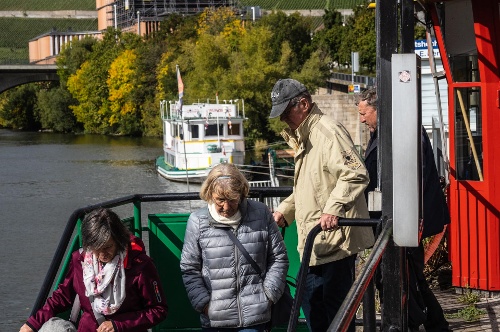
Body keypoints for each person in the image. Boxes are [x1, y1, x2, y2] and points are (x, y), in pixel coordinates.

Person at [269, 78, 375, 332]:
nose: (284, 119)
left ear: (303, 104)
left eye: (286, 112)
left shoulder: (326, 132)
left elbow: (355, 173)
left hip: (334, 241)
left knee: (331, 314)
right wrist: (285, 210)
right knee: (317, 308)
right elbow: (308, 187)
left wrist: (333, 209)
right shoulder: (307, 135)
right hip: (319, 241)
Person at [357, 87, 451, 332]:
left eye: (364, 113)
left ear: (379, 110)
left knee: (403, 277)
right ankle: (432, 324)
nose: (361, 118)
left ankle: (416, 322)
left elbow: (413, 178)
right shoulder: (392, 130)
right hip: (399, 218)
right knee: (411, 277)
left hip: (403, 219)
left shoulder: (401, 133)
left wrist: (414, 217)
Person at [20, 208, 168, 332]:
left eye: (108, 247)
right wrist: (33, 324)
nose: (102, 254)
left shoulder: (141, 266)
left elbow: (158, 310)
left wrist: (118, 324)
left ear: (119, 240)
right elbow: (62, 297)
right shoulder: (81, 260)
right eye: (96, 249)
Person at [180, 163, 289, 332]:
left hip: (255, 316)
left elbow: (278, 257)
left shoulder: (261, 213)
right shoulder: (198, 221)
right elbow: (189, 267)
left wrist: (268, 296)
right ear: (209, 194)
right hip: (215, 319)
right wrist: (203, 304)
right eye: (220, 200)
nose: (226, 207)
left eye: (232, 199)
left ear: (242, 194)